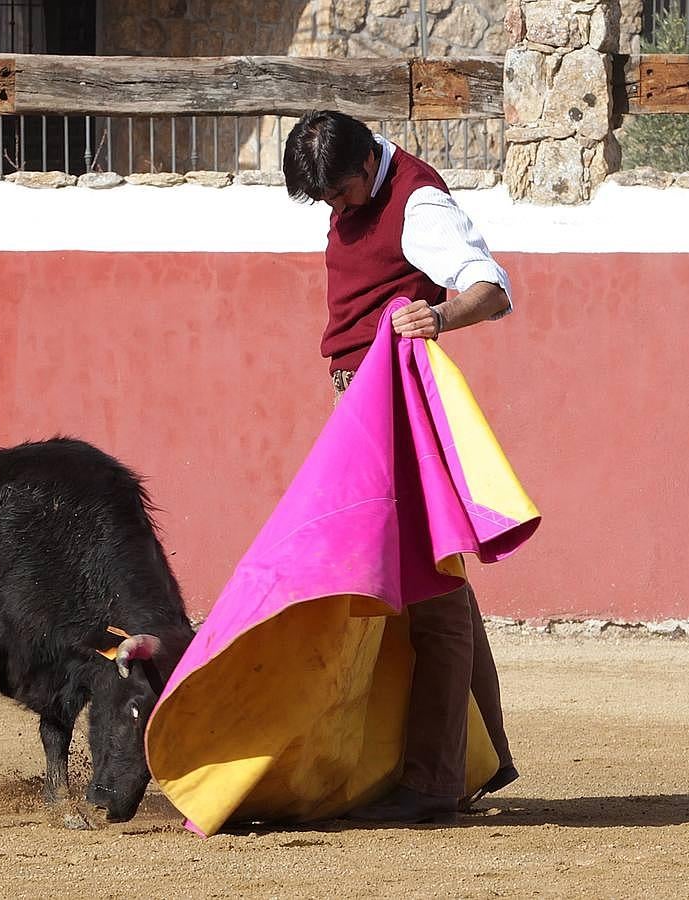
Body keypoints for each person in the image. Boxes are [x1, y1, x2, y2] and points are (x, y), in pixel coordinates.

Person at [282, 110, 519, 824]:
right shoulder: (358, 182)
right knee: (434, 577)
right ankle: (486, 755)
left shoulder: (417, 203)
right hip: (364, 404)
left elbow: (492, 286)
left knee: (429, 591)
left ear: (364, 169)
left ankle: (434, 781)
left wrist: (440, 319)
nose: (335, 210)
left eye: (340, 197)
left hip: (396, 406)